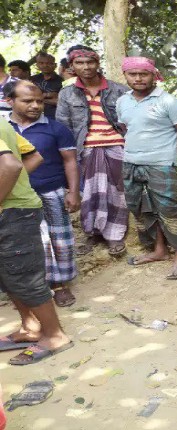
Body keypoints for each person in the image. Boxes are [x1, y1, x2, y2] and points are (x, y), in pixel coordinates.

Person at [0, 118, 73, 365]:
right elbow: (33, 156)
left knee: (24, 275)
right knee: (8, 275)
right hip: (9, 208)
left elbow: (10, 165)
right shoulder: (3, 123)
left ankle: (55, 335)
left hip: (13, 212)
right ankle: (30, 326)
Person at [117, 57, 177, 280]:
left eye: (144, 74)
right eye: (133, 74)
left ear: (153, 75)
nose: (138, 78)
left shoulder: (170, 102)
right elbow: (128, 128)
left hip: (161, 165)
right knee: (141, 209)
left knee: (168, 210)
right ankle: (159, 250)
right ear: (126, 76)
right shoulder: (122, 102)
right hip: (130, 163)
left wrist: (168, 154)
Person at [7, 80, 79, 307]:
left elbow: (70, 162)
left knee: (59, 240)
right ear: (10, 101)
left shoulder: (56, 128)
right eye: (27, 101)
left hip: (51, 193)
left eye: (39, 100)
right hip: (14, 197)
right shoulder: (4, 129)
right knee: (23, 243)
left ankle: (59, 285)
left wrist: (74, 192)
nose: (36, 105)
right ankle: (25, 289)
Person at [56, 45, 129, 257]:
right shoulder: (67, 93)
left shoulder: (119, 90)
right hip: (86, 149)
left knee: (117, 192)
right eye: (80, 63)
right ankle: (93, 233)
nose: (86, 67)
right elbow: (64, 126)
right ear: (72, 66)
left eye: (90, 62)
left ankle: (115, 235)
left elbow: (129, 122)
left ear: (98, 64)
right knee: (90, 193)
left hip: (117, 147)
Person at [30, 52, 63, 119]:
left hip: (55, 117)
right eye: (41, 63)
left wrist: (39, 98)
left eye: (49, 63)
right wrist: (48, 97)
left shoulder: (62, 81)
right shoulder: (32, 80)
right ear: (37, 65)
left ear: (55, 65)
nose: (45, 65)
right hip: (34, 117)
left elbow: (62, 102)